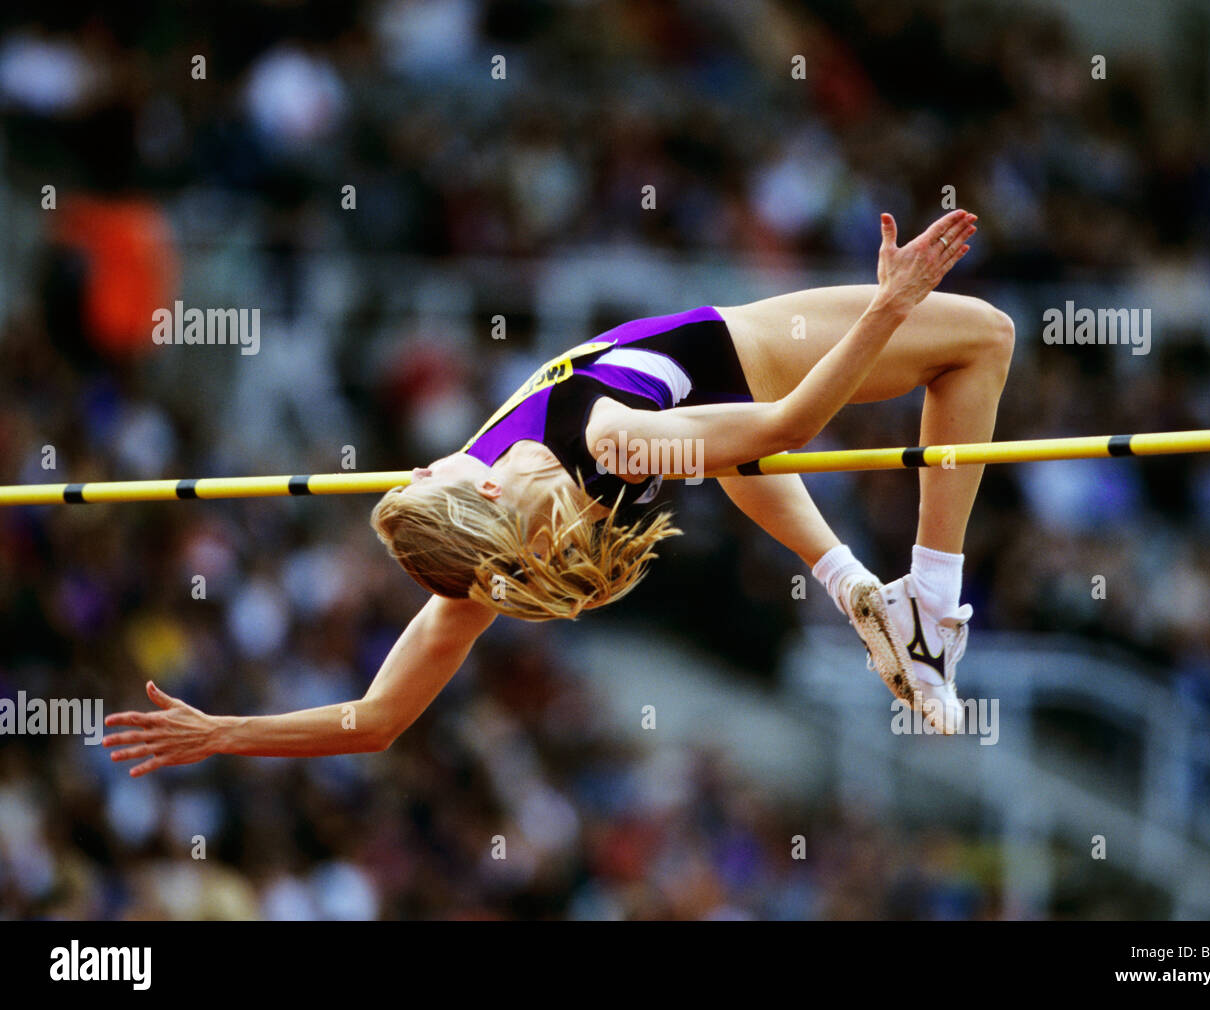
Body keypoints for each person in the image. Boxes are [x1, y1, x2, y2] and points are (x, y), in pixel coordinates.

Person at [104, 209, 1014, 776]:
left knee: (716, 448)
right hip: (757, 356)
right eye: (441, 474)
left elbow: (376, 720)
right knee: (984, 338)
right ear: (488, 492)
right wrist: (886, 309)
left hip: (705, 418)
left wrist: (224, 732)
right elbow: (781, 429)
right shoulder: (607, 441)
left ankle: (856, 589)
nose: (430, 463)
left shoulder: (468, 565)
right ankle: (928, 607)